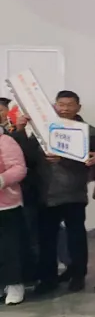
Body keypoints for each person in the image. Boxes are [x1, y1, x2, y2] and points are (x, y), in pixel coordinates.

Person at [35, 90, 95, 295]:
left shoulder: (88, 131)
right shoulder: (43, 128)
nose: (64, 109)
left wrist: (63, 158)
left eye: (69, 105)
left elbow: (88, 160)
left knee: (76, 236)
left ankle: (78, 274)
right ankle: (48, 279)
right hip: (46, 191)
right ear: (55, 105)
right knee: (46, 238)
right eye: (61, 104)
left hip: (73, 191)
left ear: (78, 107)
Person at [0, 130, 29, 305]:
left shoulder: (5, 141)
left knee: (9, 249)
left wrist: (2, 179)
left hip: (6, 205)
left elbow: (19, 168)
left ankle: (14, 284)